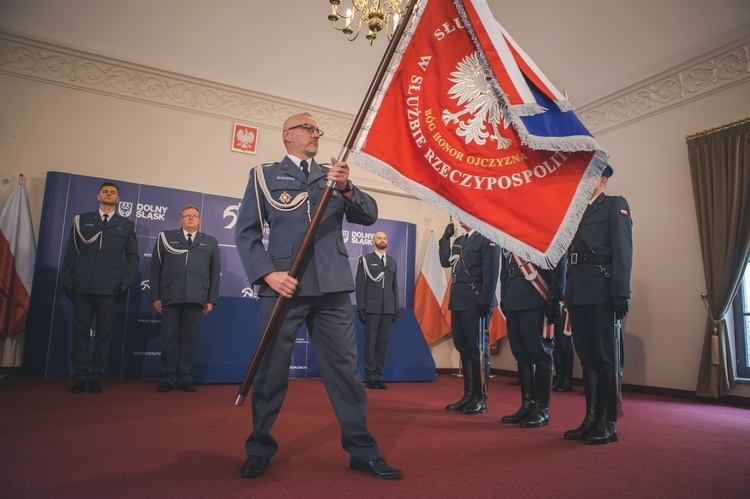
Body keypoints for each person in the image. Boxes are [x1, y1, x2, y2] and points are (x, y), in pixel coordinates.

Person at [234, 113, 402, 480]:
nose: (315, 134)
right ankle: (260, 447)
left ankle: (362, 451)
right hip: (285, 286)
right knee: (271, 373)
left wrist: (347, 188)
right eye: (308, 128)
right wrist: (268, 274)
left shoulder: (333, 177)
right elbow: (246, 232)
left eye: (317, 130)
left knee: (345, 374)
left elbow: (369, 215)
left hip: (332, 288)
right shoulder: (264, 176)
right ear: (287, 136)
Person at [563, 164, 633, 445]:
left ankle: (607, 421)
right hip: (578, 293)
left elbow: (623, 251)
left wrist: (620, 292)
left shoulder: (614, 205)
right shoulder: (574, 213)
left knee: (606, 359)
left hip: (603, 292)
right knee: (588, 359)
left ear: (602, 181)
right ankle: (590, 418)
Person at [61, 182, 138, 394]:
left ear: (118, 199)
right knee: (80, 334)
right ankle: (79, 376)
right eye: (105, 191)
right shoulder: (82, 220)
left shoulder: (126, 225)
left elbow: (133, 257)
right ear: (98, 196)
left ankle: (95, 376)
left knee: (104, 334)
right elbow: (71, 253)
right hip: (83, 286)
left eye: (113, 192)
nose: (109, 194)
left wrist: (127, 281)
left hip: (109, 288)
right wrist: (67, 280)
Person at [150, 205, 221, 393]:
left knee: (189, 341)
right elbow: (155, 269)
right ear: (180, 220)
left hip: (196, 298)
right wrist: (155, 296)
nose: (190, 218)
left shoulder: (211, 242)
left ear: (200, 221)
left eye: (194, 216)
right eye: (186, 216)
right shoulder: (165, 238)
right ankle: (167, 378)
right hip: (170, 297)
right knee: (169, 340)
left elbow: (215, 274)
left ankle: (185, 378)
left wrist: (211, 300)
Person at [439, 220, 500, 415]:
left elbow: (491, 272)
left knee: (477, 350)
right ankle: (468, 394)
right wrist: (445, 239)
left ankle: (480, 398)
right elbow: (445, 261)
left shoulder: (486, 238)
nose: (460, 218)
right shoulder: (460, 241)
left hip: (476, 299)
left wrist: (486, 300)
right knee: (463, 349)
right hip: (458, 300)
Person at [499, 252, 565, 428]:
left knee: (540, 353)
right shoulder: (507, 236)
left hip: (535, 297)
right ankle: (527, 405)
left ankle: (542, 409)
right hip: (513, 300)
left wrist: (554, 297)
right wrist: (504, 298)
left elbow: (557, 265)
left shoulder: (540, 230)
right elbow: (504, 271)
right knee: (521, 354)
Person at [355, 231, 399, 390]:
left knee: (382, 344)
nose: (383, 240)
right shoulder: (365, 260)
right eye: (379, 238)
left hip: (387, 308)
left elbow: (395, 286)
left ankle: (380, 375)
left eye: (385, 238)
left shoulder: (392, 262)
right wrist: (361, 307)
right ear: (373, 241)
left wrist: (396, 307)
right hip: (372, 308)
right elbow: (360, 285)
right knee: (370, 343)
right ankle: (370, 376)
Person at [551, 303, 575, 392]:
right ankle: (559, 378)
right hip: (555, 305)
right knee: (555, 345)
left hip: (565, 305)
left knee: (564, 344)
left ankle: (567, 380)